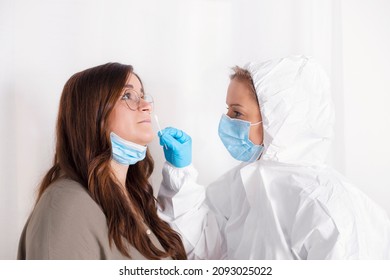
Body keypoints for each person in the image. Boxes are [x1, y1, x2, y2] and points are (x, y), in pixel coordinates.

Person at [157, 55, 390, 259]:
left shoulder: (324, 203)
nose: (226, 120)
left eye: (237, 112)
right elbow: (204, 248)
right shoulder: (246, 181)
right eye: (228, 110)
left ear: (276, 120)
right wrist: (180, 173)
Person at [17, 62, 186, 260]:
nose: (146, 106)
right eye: (127, 96)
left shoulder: (133, 200)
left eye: (142, 95)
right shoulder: (67, 204)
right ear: (93, 114)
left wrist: (181, 172)